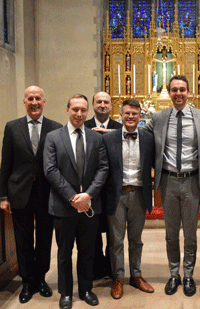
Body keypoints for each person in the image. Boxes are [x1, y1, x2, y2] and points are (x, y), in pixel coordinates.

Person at [144, 75, 200, 296]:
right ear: (170, 93)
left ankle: (189, 275)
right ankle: (174, 274)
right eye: (174, 90)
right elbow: (137, 134)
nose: (178, 93)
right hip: (169, 181)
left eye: (182, 89)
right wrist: (109, 135)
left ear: (189, 92)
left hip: (192, 181)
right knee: (171, 233)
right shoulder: (159, 117)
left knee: (190, 233)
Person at [43, 94, 108, 309]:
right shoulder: (53, 137)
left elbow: (102, 168)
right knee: (64, 253)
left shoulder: (96, 138)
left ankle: (86, 289)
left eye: (83, 110)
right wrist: (73, 197)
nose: (79, 114)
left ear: (87, 112)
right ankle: (65, 293)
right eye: (75, 109)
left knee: (87, 251)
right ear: (67, 110)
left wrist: (87, 195)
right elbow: (50, 170)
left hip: (89, 205)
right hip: (63, 206)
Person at [0, 86, 62, 304]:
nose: (34, 102)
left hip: (46, 193)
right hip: (20, 192)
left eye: (38, 98)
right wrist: (3, 196)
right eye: (30, 99)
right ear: (24, 102)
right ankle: (27, 282)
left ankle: (41, 279)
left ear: (44, 102)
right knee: (23, 239)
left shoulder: (56, 128)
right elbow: (5, 163)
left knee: (45, 239)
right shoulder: (12, 127)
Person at [103, 99, 154, 299]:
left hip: (139, 195)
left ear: (140, 116)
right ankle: (118, 278)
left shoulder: (149, 138)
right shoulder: (109, 139)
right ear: (121, 116)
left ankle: (136, 275)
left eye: (134, 113)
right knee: (116, 241)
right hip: (117, 195)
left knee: (136, 240)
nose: (131, 117)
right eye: (127, 113)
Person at [85, 91, 122, 280]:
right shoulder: (84, 127)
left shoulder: (120, 128)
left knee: (113, 234)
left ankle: (112, 268)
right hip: (90, 190)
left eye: (106, 102)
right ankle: (96, 269)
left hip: (112, 190)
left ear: (111, 106)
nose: (102, 105)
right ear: (93, 105)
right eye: (98, 102)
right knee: (93, 233)